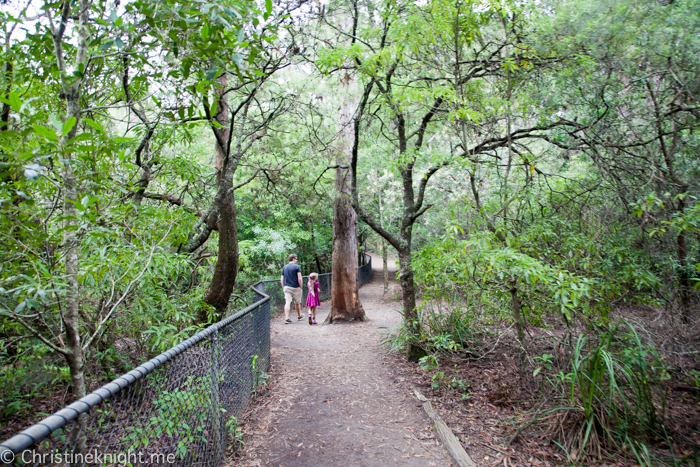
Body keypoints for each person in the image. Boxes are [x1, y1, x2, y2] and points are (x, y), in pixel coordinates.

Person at [280, 254, 303, 323]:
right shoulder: (297, 267)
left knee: (287, 302)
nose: (296, 260)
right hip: (296, 287)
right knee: (297, 303)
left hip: (287, 287)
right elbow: (300, 278)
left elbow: (281, 279)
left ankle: (286, 317)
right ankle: (299, 316)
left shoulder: (284, 267)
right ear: (293, 259)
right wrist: (301, 287)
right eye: (296, 259)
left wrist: (283, 287)